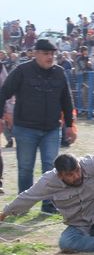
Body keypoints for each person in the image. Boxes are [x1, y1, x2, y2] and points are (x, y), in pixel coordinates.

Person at [0, 39, 76, 214]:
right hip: (25, 128)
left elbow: (66, 99)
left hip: (51, 128)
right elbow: (3, 93)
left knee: (51, 169)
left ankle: (49, 205)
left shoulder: (59, 72)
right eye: (46, 54)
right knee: (25, 168)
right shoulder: (21, 71)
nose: (50, 57)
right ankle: (22, 206)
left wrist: (70, 126)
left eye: (52, 54)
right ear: (35, 53)